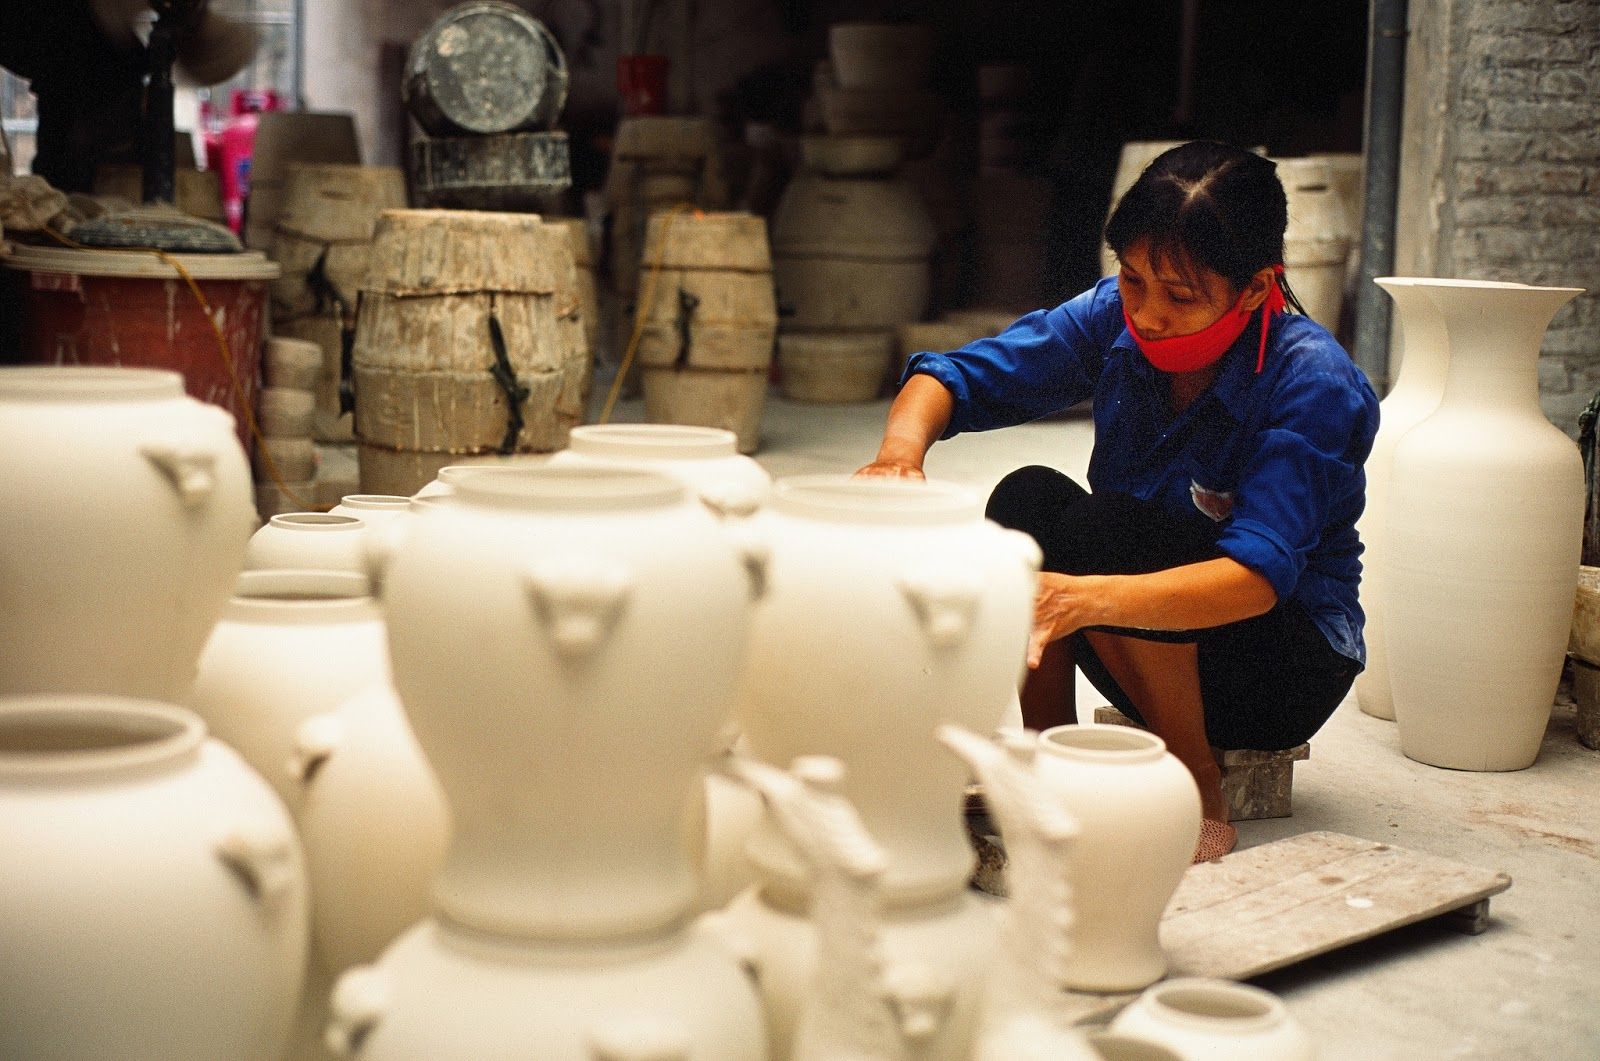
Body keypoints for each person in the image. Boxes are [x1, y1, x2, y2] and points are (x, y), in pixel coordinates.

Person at [859, 141, 1379, 861]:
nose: (1149, 313)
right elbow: (958, 376)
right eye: (1133, 281)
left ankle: (1199, 780)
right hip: (1142, 630)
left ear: (1257, 289)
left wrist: (1079, 600)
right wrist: (897, 455)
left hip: (1280, 664)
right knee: (1027, 499)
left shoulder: (1311, 382)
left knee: (1111, 530)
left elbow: (1256, 580)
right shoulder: (1118, 316)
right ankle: (1044, 760)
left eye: (1181, 295)